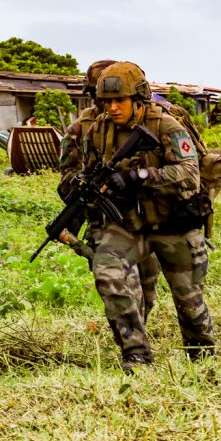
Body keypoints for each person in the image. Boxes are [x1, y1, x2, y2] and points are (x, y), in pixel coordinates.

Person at [73, 61, 215, 371]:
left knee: (189, 302)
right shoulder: (99, 130)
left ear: (138, 98)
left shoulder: (167, 127)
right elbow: (88, 168)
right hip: (127, 224)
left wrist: (139, 176)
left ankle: (203, 361)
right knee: (108, 276)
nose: (111, 108)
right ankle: (136, 354)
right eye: (106, 102)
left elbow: (190, 175)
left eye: (118, 101)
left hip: (172, 223)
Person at [57, 59, 160, 322]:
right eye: (103, 97)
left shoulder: (148, 119)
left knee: (147, 284)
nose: (109, 104)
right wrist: (88, 184)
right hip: (105, 222)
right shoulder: (84, 126)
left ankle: (139, 332)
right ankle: (133, 345)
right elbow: (66, 177)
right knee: (121, 283)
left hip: (145, 217)